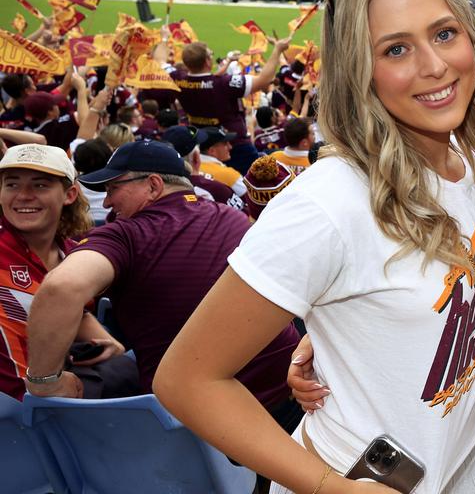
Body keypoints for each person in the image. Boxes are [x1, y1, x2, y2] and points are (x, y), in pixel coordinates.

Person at [154, 0, 475, 493]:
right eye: (396, 49)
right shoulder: (326, 202)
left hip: (468, 470)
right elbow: (186, 380)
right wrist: (334, 488)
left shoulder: (471, 159)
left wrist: (337, 336)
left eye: (444, 33)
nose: (435, 64)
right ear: (358, 69)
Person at [22, 140, 299, 428]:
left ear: (153, 185)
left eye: (113, 188)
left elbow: (60, 289)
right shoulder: (234, 218)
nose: (106, 202)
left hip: (199, 430)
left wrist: (45, 383)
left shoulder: (127, 235)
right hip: (287, 400)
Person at [0, 144, 104, 400]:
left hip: (53, 405)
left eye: (40, 185)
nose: (23, 195)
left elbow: (77, 315)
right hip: (17, 414)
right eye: (11, 185)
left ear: (69, 194)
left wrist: (108, 345)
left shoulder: (74, 254)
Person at [159, 35, 291, 174]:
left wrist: (164, 37)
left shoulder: (177, 79)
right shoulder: (223, 84)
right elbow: (264, 79)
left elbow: (159, 59)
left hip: (203, 144)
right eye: (211, 54)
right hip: (235, 145)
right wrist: (277, 49)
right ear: (207, 62)